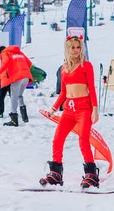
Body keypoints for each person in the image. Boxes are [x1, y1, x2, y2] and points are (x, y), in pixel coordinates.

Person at [40, 35, 100, 189]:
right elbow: (63, 93)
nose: (75, 50)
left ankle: (91, 175)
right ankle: (56, 173)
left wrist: (95, 109)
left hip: (83, 109)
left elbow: (91, 88)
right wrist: (53, 108)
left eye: (78, 47)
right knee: (57, 139)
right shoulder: (64, 68)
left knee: (83, 141)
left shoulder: (86, 66)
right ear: (67, 49)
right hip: (68, 110)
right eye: (72, 47)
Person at [0, 45, 33, 126]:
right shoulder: (19, 52)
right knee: (19, 96)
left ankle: (14, 120)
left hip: (17, 77)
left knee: (13, 97)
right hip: (26, 76)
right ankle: (24, 115)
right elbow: (29, 63)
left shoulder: (5, 53)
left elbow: (5, 63)